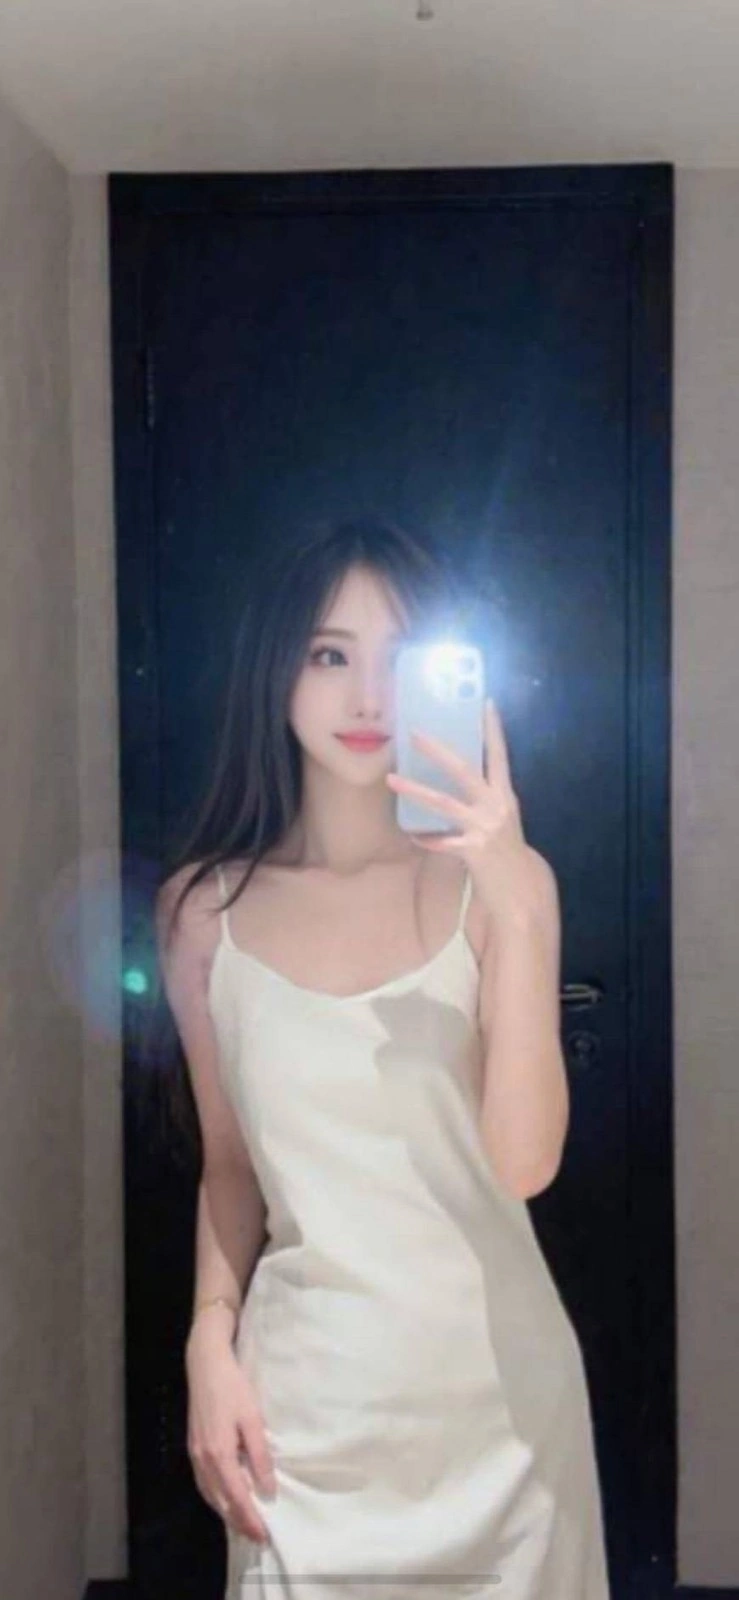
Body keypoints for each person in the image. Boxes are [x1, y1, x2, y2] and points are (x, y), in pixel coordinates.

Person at [155, 515, 611, 1599]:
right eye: (329, 654)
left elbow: (524, 1163)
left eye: (402, 661)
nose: (367, 697)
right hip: (303, 1427)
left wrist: (516, 901)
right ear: (276, 669)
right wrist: (208, 1343)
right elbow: (230, 1168)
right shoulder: (201, 912)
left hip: (501, 1423)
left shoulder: (500, 890)